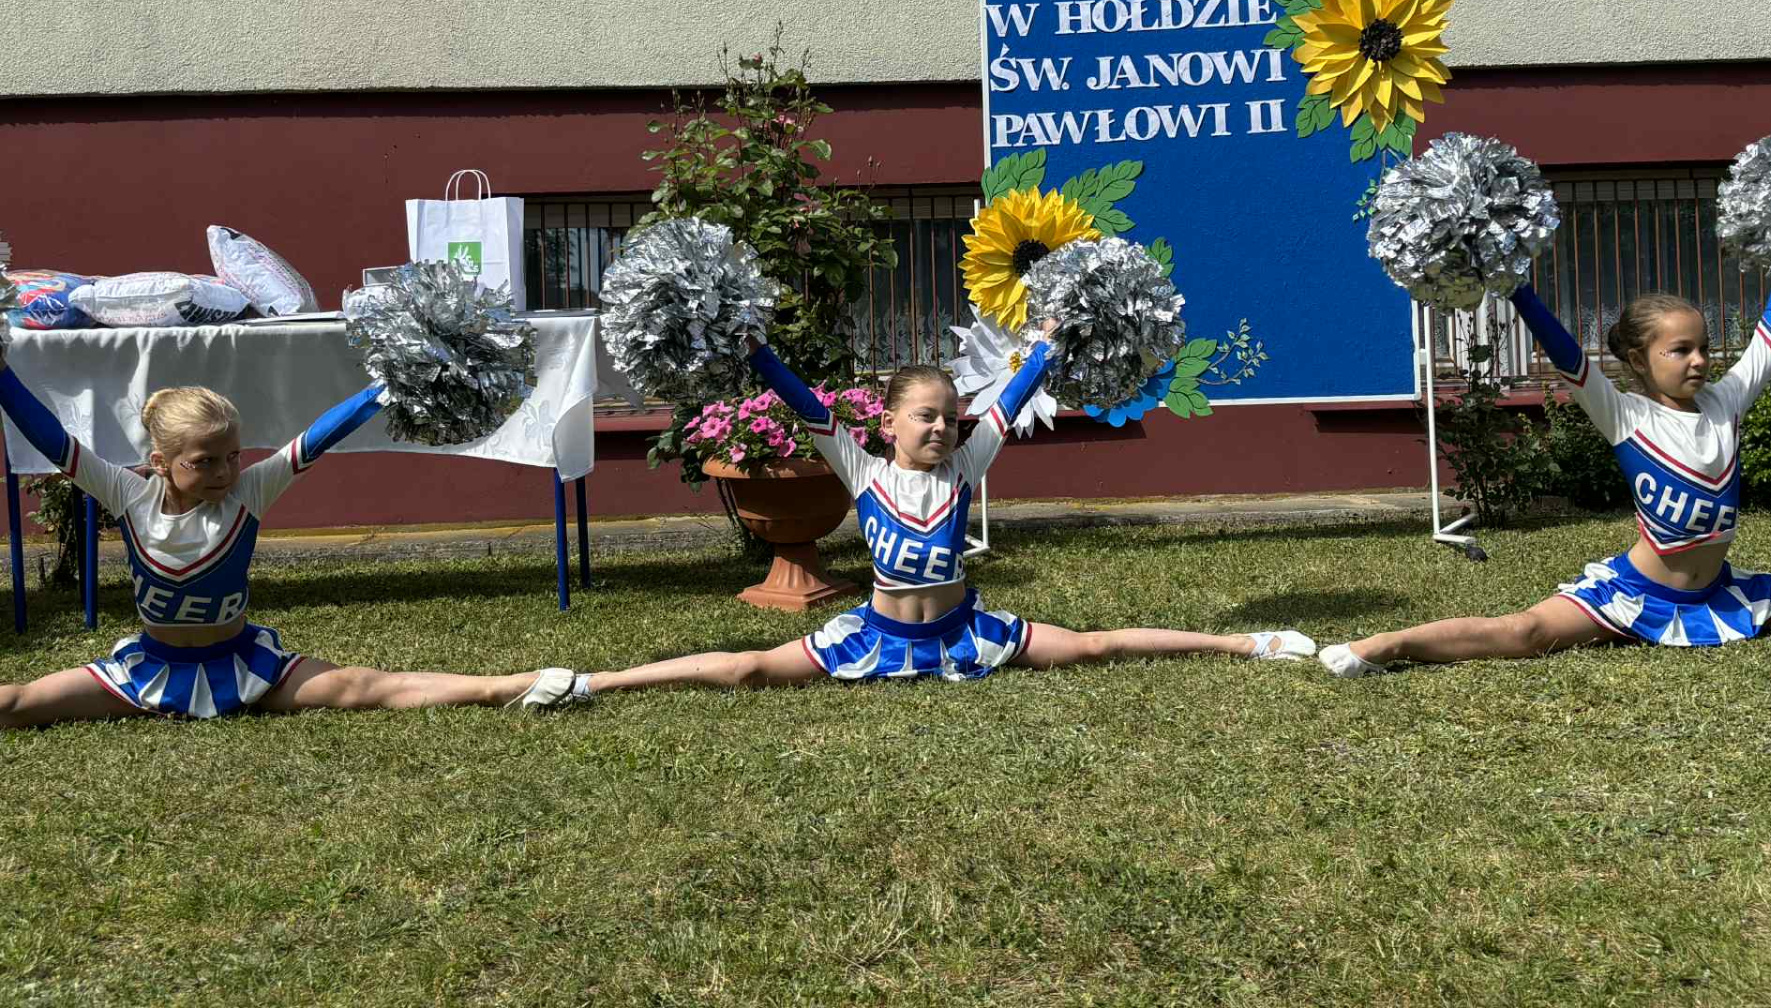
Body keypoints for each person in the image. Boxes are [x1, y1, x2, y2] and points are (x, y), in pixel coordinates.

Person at [569, 330, 1316, 700]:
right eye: (924, 416)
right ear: (889, 422)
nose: (940, 427)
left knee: (1093, 646)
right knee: (747, 667)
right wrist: (757, 352)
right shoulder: (862, 470)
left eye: (949, 418)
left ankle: (1246, 643)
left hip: (966, 633)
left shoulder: (966, 465)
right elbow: (807, 404)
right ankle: (596, 682)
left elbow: (1012, 399)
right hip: (876, 636)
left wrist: (1047, 346)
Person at [1319, 273, 1771, 677]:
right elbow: (1566, 354)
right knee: (1526, 632)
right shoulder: (1625, 415)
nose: (1699, 361)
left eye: (1703, 347)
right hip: (1636, 595)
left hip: (1720, 591)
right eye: (1679, 350)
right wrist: (1517, 287)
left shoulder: (1727, 402)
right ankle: (1391, 643)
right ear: (1638, 359)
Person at [0, 370, 579, 727]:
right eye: (204, 461)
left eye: (233, 456)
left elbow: (318, 437)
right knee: (16, 704)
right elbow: (53, 441)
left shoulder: (249, 492)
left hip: (248, 668)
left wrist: (389, 384)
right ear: (160, 463)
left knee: (366, 687)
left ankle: (512, 684)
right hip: (149, 670)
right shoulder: (127, 495)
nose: (224, 471)